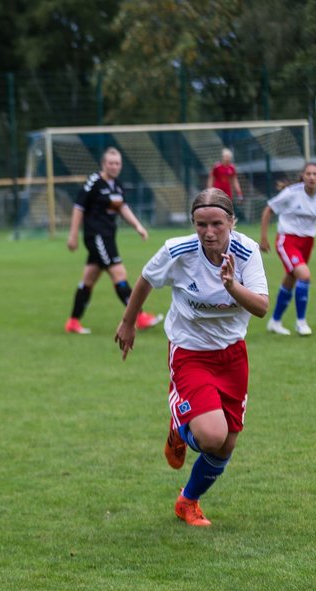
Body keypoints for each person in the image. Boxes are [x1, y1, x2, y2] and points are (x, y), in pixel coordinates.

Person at [115, 188, 268, 527]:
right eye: (201, 224)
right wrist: (128, 322)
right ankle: (179, 425)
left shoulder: (246, 252)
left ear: (232, 222)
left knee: (226, 445)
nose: (209, 232)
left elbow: (260, 307)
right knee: (210, 436)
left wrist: (231, 287)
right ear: (193, 224)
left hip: (232, 356)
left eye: (217, 223)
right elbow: (145, 280)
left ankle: (187, 502)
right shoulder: (178, 251)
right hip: (190, 353)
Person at [64, 147, 161, 335]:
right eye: (111, 163)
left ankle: (73, 322)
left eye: (117, 163)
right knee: (119, 274)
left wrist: (138, 226)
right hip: (97, 236)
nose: (114, 166)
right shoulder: (94, 182)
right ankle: (139, 317)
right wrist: (73, 235)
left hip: (108, 237)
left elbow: (123, 208)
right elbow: (78, 208)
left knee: (89, 278)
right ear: (103, 164)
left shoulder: (117, 185)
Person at [258, 161, 316, 336]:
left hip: (307, 242)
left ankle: (275, 321)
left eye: (315, 174)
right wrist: (264, 238)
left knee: (291, 278)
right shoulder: (291, 193)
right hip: (287, 240)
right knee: (304, 275)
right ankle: (301, 323)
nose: (311, 177)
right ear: (303, 176)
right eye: (308, 173)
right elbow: (268, 209)